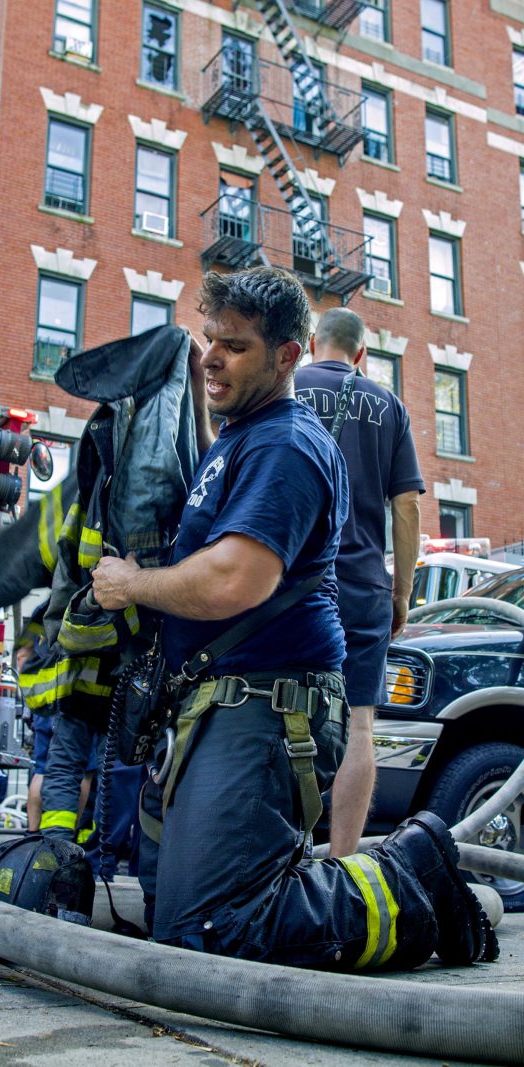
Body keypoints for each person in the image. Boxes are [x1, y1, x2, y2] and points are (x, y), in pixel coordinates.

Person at [91, 266, 496, 971]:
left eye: (235, 345)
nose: (213, 357)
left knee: (213, 926)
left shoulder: (284, 445)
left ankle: (414, 882)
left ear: (288, 356)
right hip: (217, 704)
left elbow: (237, 581)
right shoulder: (238, 439)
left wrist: (132, 584)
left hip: (265, 708)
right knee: (169, 910)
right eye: (208, 339)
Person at [295, 308, 424, 856]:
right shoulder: (389, 406)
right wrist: (401, 593)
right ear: (362, 355)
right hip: (365, 587)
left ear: (307, 343)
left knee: (281, 714)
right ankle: (343, 863)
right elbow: (407, 509)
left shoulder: (286, 387)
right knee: (360, 726)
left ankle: (281, 856)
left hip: (292, 583)